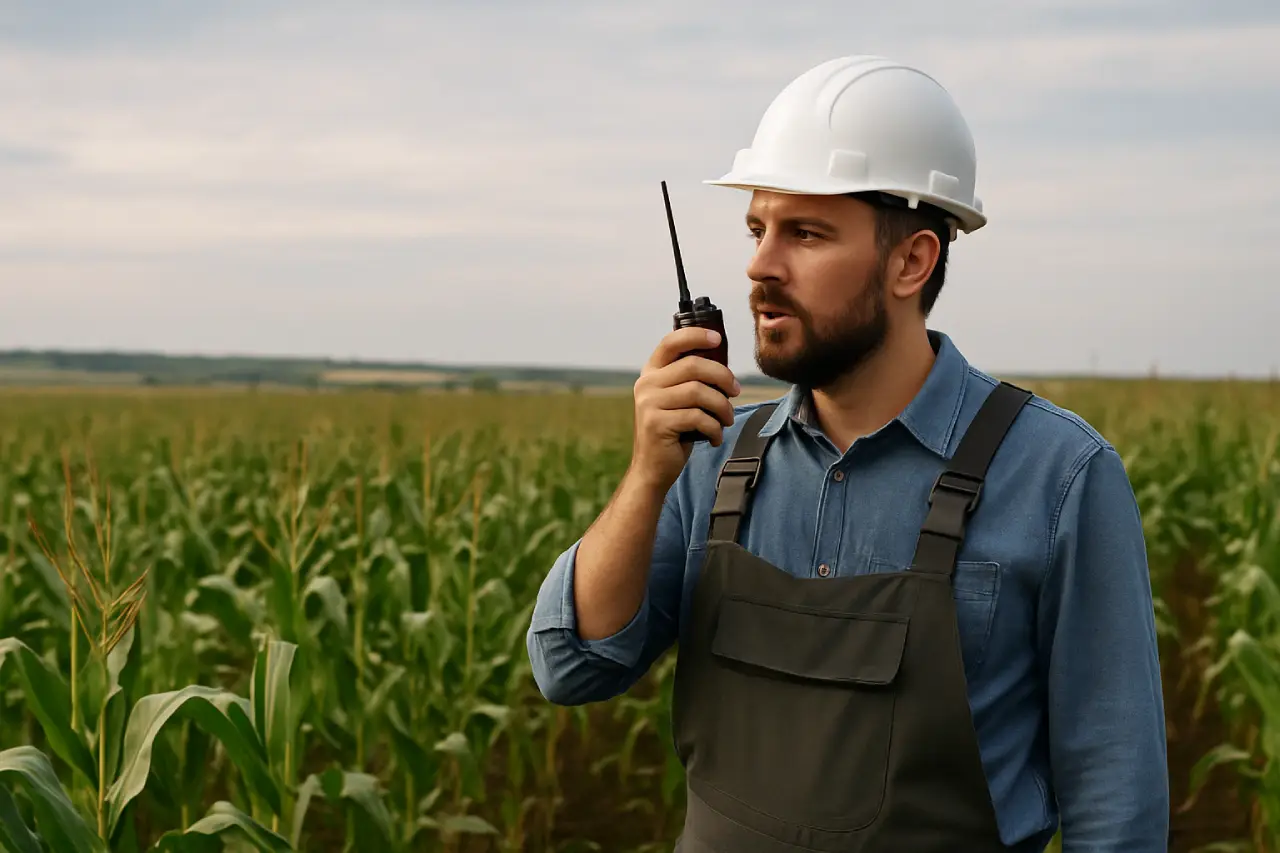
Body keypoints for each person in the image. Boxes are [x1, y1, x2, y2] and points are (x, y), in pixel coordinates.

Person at [526, 55, 1169, 852]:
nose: (761, 263)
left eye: (806, 232)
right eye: (758, 228)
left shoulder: (1058, 476)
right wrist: (647, 474)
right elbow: (571, 666)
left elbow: (1118, 804)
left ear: (912, 260)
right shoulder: (712, 456)